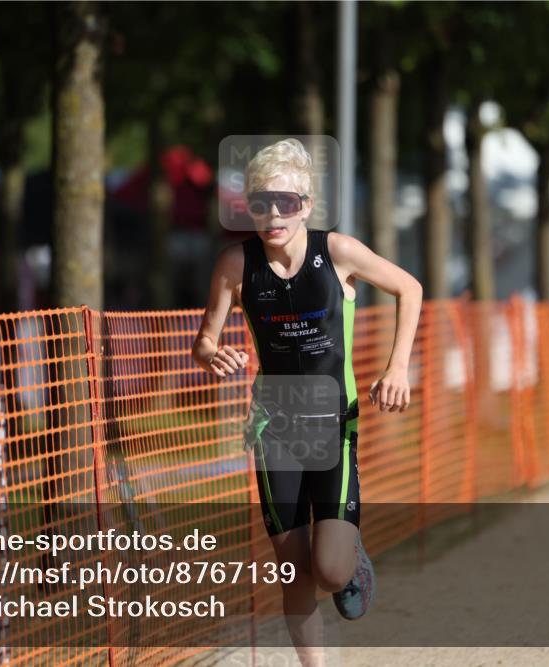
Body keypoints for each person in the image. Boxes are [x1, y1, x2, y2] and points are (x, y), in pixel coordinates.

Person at [192, 139, 423, 665]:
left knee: (331, 571)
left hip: (333, 423)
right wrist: (212, 354)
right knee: (292, 572)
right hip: (273, 429)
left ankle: (352, 560)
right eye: (260, 204)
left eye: (286, 203)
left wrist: (397, 368)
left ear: (306, 205)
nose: (273, 215)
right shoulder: (235, 263)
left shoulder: (337, 252)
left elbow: (409, 289)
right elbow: (204, 339)